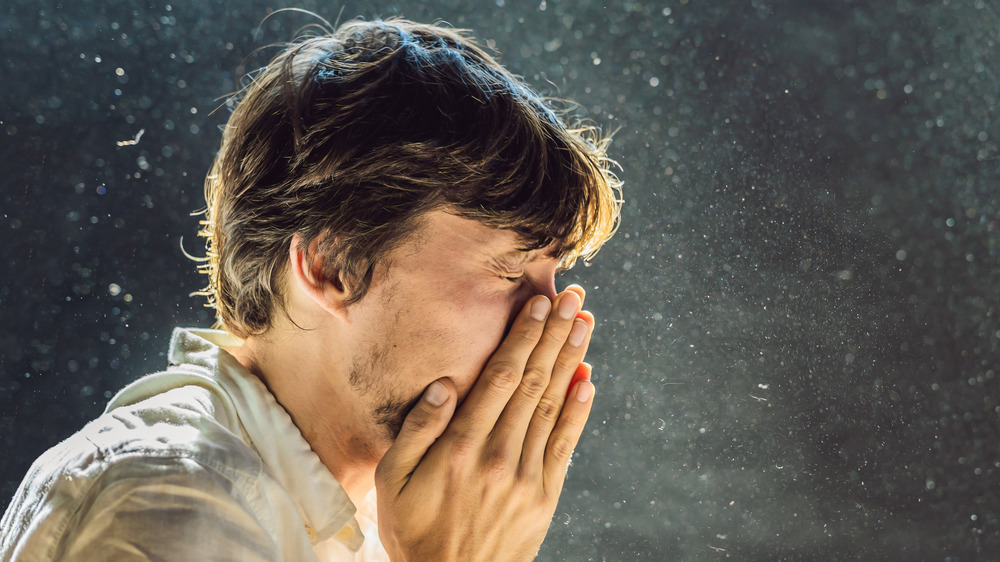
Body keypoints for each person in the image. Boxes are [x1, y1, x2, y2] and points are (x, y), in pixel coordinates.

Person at [0, 17, 621, 561]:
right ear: (335, 267)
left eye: (554, 275)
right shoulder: (168, 505)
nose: (551, 321)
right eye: (510, 271)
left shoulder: (389, 530)